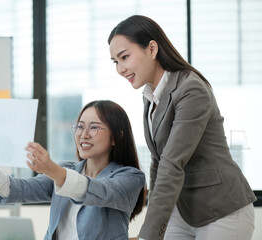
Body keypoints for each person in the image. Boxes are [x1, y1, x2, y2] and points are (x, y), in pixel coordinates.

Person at [108, 15, 256, 240]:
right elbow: (158, 161)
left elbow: (172, 163)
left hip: (221, 208)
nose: (120, 68)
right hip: (182, 210)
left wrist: (148, 234)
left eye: (124, 57)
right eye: (115, 62)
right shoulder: (149, 96)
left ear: (152, 48)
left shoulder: (190, 89)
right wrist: (154, 224)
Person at [0, 100, 146, 240]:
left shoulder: (131, 178)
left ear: (116, 137)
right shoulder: (66, 170)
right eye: (80, 126)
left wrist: (51, 169)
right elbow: (17, 190)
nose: (84, 134)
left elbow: (95, 190)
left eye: (94, 127)